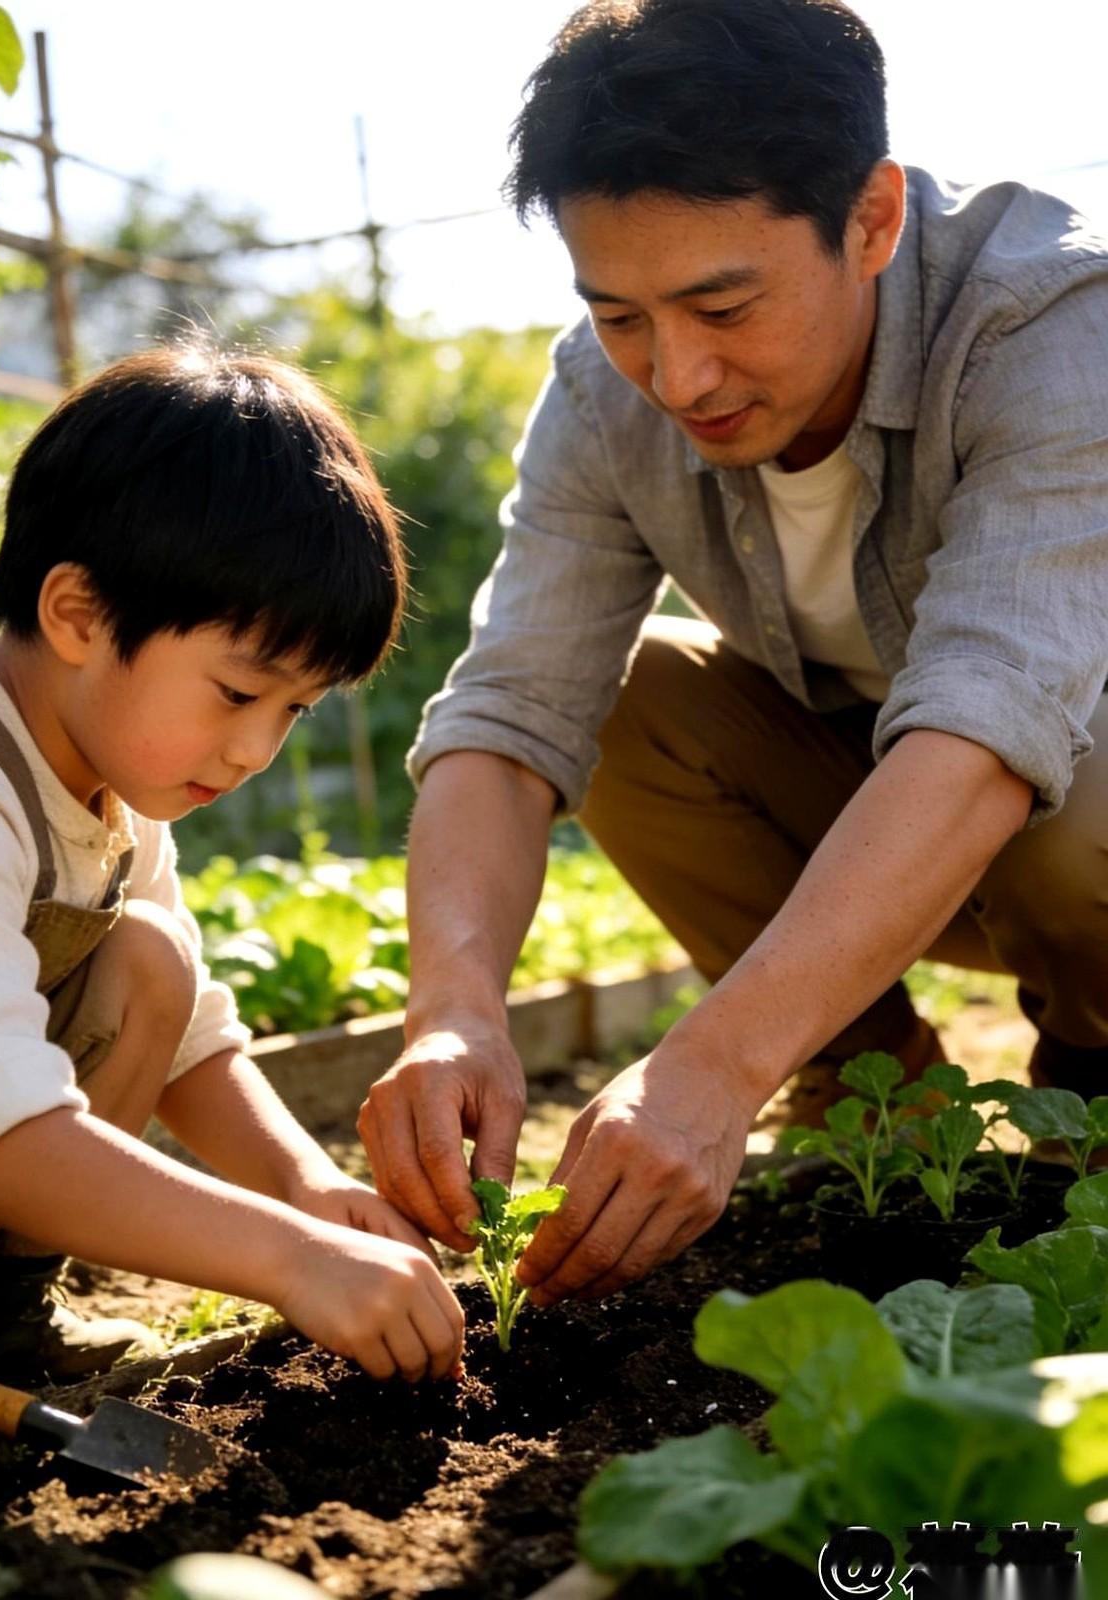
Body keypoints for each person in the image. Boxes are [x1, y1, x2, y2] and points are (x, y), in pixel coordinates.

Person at [358, 0, 1108, 1310]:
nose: (678, 376)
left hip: (1065, 817)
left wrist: (710, 1066)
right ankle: (875, 1094)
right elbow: (512, 710)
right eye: (620, 314)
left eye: (722, 305)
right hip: (900, 830)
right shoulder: (603, 398)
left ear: (871, 220)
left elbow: (992, 718)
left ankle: (1091, 1082)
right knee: (632, 702)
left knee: (1073, 789)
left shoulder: (1049, 323)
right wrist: (453, 1011)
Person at [0, 345, 464, 1386]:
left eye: (294, 711)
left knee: (152, 961)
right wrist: (289, 1258)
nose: (256, 750)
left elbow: (189, 1042)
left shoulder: (107, 780)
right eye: (238, 693)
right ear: (79, 615)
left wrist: (308, 1192)